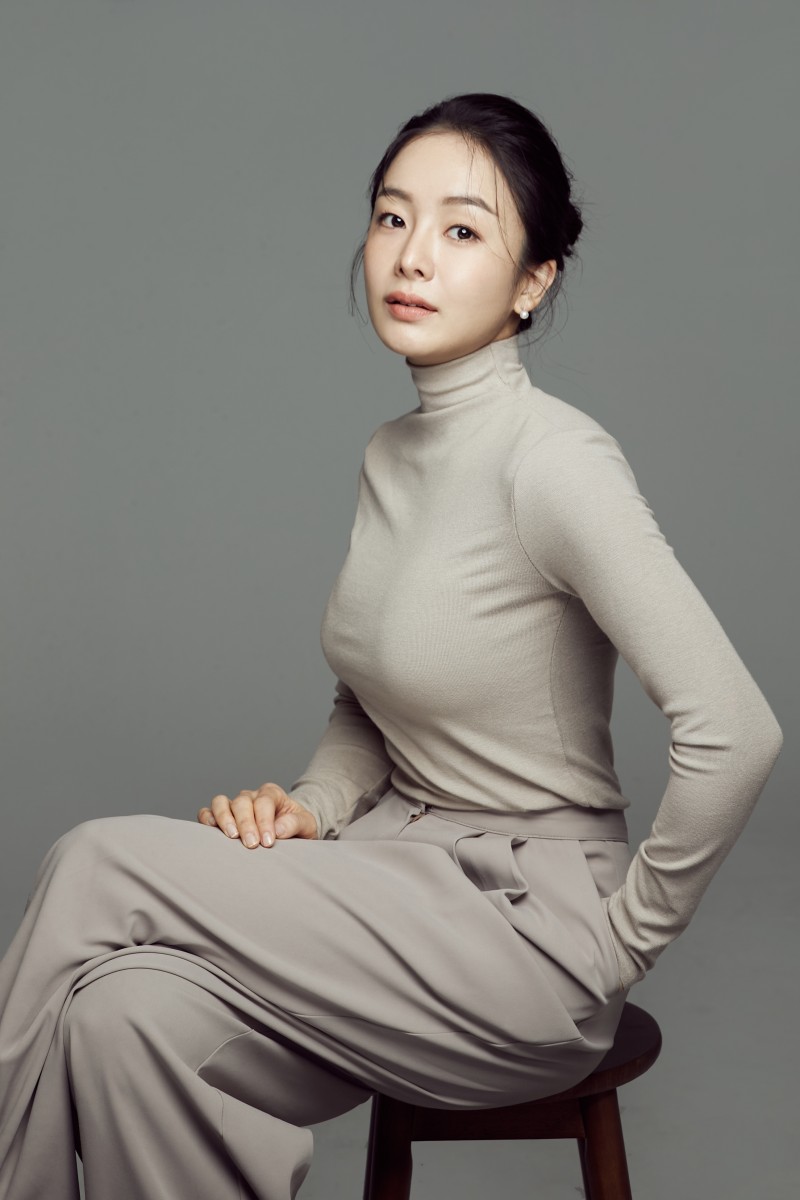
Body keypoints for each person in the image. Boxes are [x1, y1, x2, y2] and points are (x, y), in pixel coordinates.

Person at [0, 92, 783, 1200]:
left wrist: (618, 947)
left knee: (93, 865)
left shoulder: (554, 463)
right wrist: (311, 807)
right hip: (387, 884)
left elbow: (736, 731)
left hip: (520, 942)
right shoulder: (391, 454)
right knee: (118, 1012)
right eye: (391, 216)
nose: (412, 255)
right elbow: (369, 699)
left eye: (462, 229)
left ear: (532, 281)